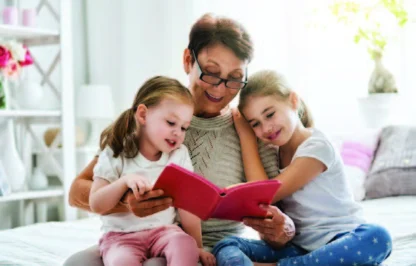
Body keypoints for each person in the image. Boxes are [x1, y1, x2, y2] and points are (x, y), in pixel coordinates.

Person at [65, 14, 295, 266]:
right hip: (133, 237)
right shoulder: (157, 118)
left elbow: (276, 225)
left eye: (234, 78)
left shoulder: (251, 129)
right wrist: (127, 202)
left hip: (209, 250)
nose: (220, 88)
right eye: (211, 72)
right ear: (188, 61)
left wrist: (282, 232)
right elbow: (78, 191)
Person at [212, 70, 392, 266]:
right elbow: (267, 212)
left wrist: (246, 137)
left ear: (293, 101)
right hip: (298, 248)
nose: (266, 128)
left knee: (378, 237)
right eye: (255, 124)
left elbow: (266, 195)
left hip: (342, 240)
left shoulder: (317, 147)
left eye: (270, 114)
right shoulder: (272, 155)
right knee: (226, 245)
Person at [89, 76, 216, 266]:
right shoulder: (116, 151)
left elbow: (187, 207)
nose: (178, 133)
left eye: (184, 128)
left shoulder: (179, 155)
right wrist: (124, 182)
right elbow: (96, 203)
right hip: (121, 237)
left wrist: (198, 246)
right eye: (171, 123)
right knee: (120, 261)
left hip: (164, 232)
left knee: (184, 244)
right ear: (143, 115)